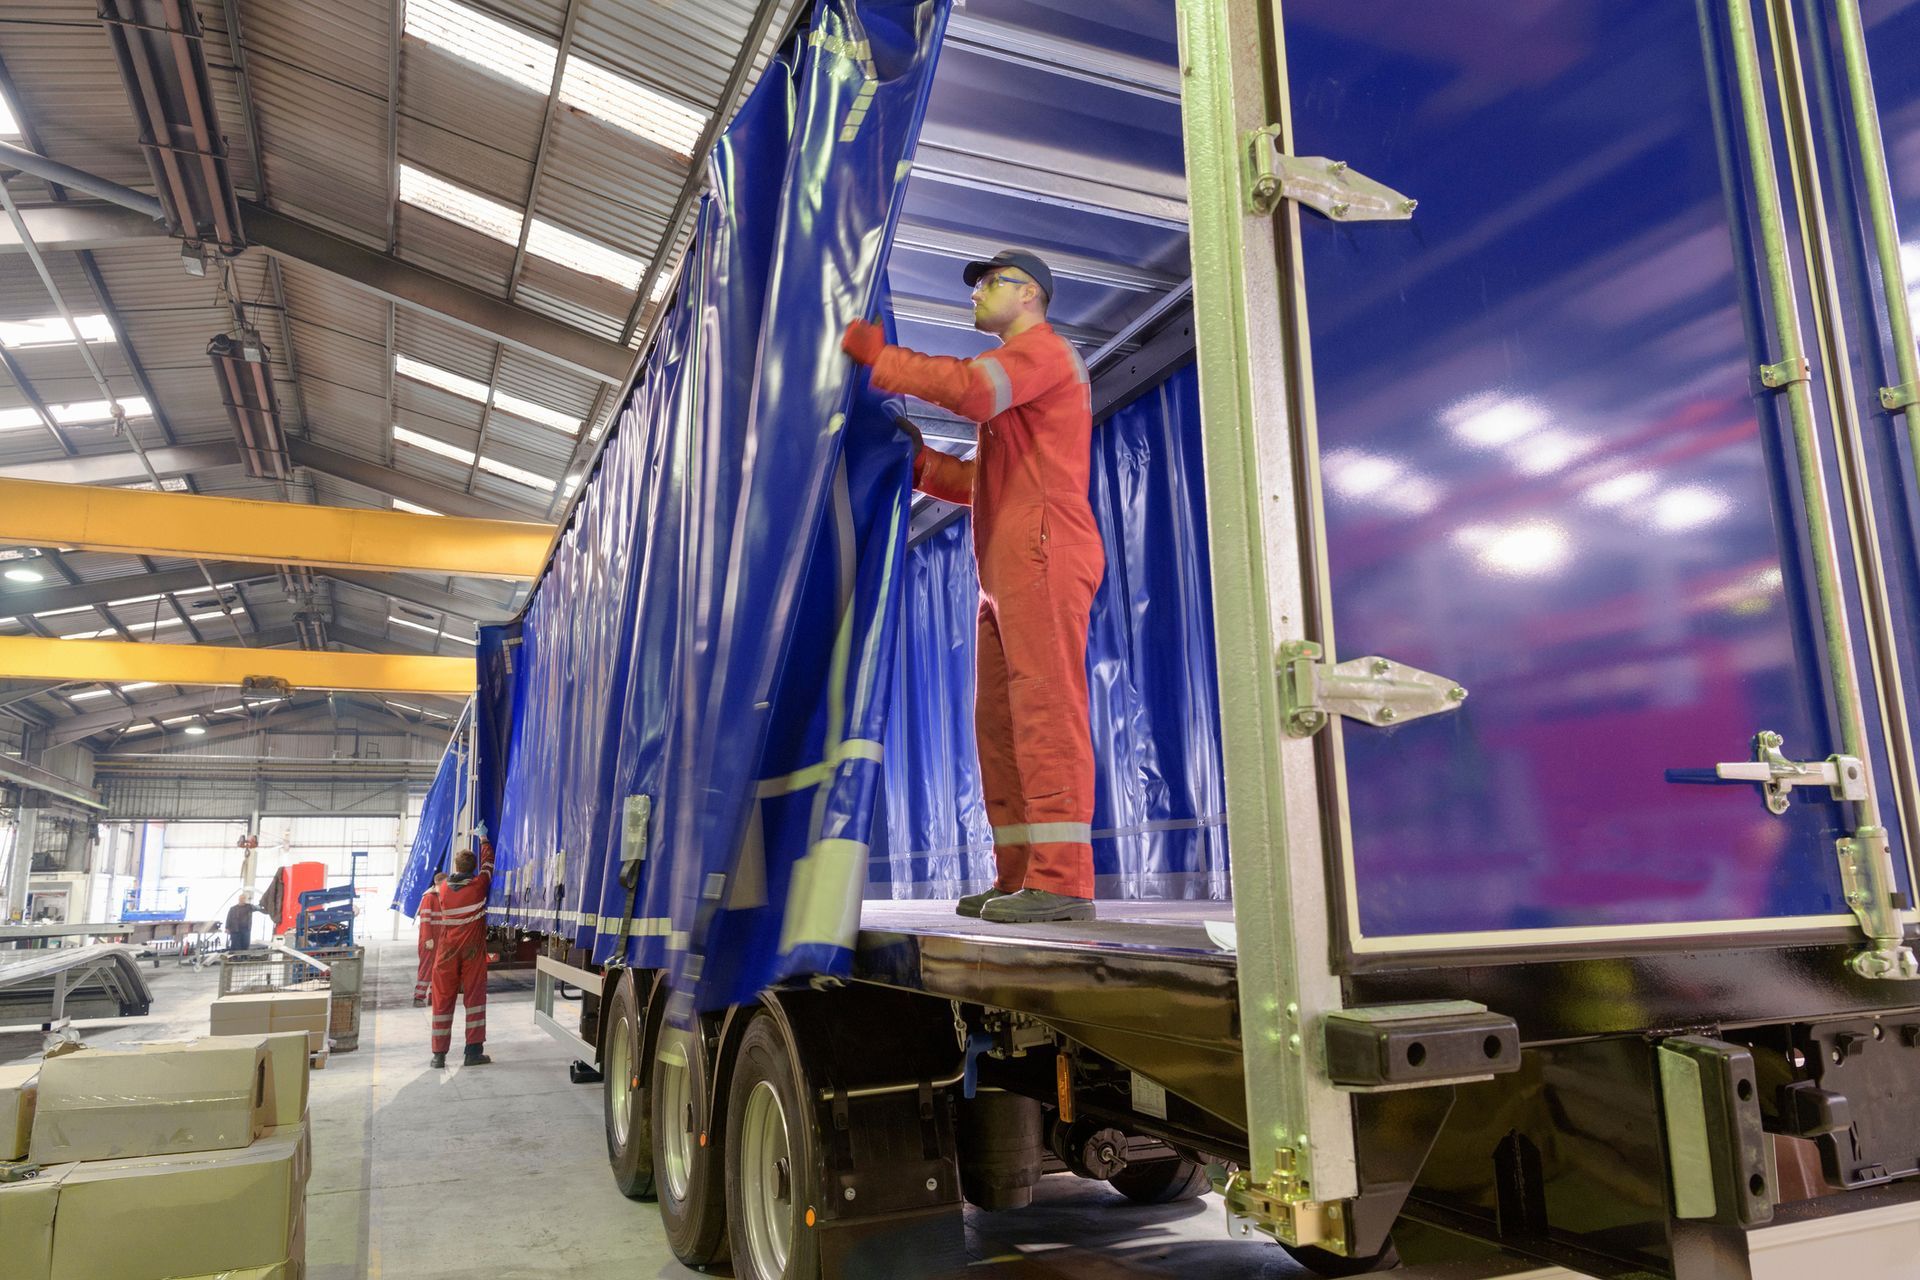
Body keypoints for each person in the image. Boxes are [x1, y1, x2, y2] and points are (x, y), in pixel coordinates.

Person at [842, 248, 1103, 924]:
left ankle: (1064, 881)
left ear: (1031, 294)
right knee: (1002, 727)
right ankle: (1020, 875)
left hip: (1043, 551)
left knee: (1045, 714)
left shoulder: (1044, 355)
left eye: (992, 283)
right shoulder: (1017, 392)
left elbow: (970, 389)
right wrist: (919, 458)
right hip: (1008, 565)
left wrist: (883, 360)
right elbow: (975, 483)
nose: (978, 294)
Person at [429, 825, 494, 1067]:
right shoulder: (478, 886)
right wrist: (484, 838)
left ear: (455, 868)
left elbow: (451, 877)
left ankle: (438, 1055)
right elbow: (489, 864)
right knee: (474, 998)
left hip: (446, 951)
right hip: (471, 949)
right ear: (473, 868)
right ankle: (473, 1052)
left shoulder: (443, 889)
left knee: (442, 1000)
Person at [414, 871, 447, 1007]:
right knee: (426, 969)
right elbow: (425, 920)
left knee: (437, 970)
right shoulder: (429, 898)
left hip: (439, 940)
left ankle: (433, 998)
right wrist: (428, 938)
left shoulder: (441, 897)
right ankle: (418, 997)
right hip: (429, 941)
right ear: (439, 883)